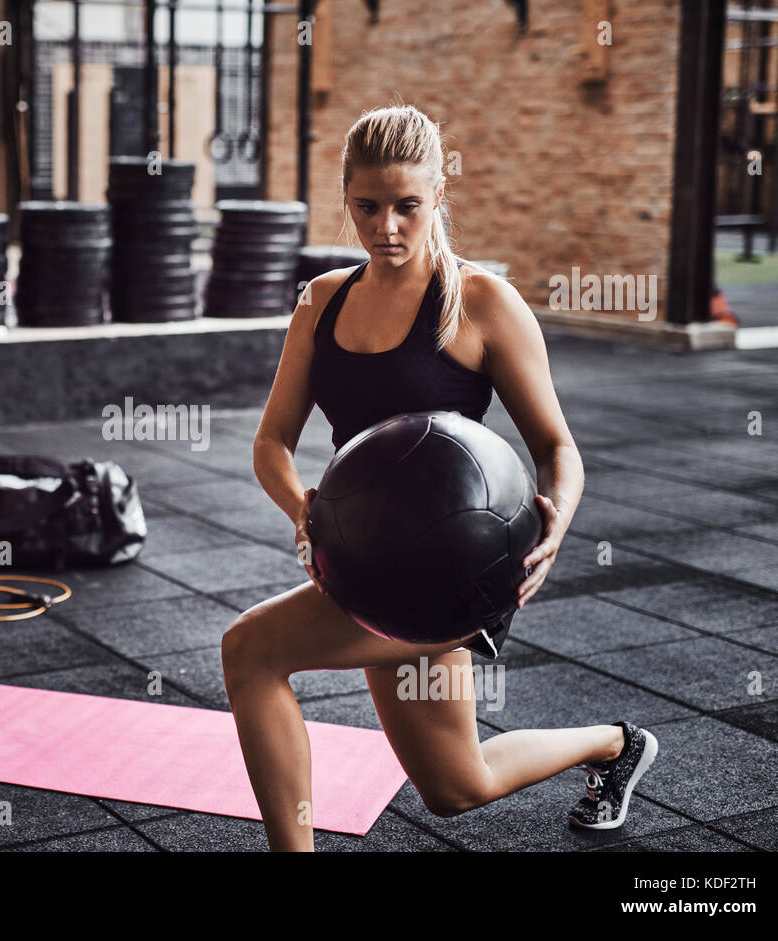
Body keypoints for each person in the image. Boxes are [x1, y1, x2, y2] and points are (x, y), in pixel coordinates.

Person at [223, 104, 658, 851]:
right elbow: (271, 441)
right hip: (365, 559)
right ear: (347, 196)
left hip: (458, 570)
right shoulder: (320, 303)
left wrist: (557, 529)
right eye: (367, 206)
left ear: (437, 199)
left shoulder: (483, 304)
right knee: (457, 787)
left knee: (251, 651)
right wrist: (304, 511)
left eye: (406, 206)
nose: (386, 225)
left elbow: (559, 447)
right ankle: (616, 745)